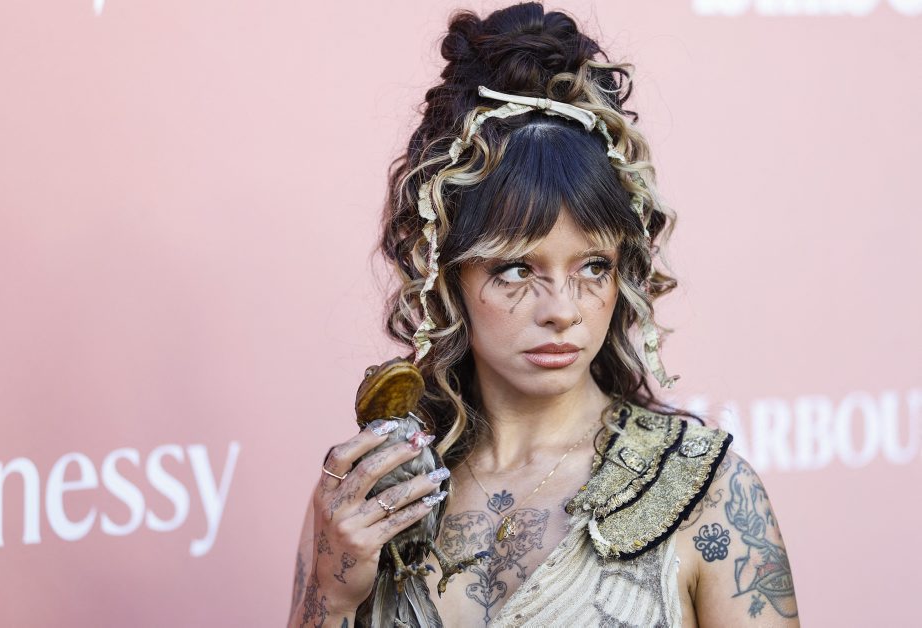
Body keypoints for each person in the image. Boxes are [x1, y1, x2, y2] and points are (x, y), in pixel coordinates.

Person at [288, 3, 800, 626]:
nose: (562, 310)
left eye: (594, 267)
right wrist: (332, 596)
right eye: (515, 270)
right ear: (446, 275)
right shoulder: (369, 494)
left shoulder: (708, 495)